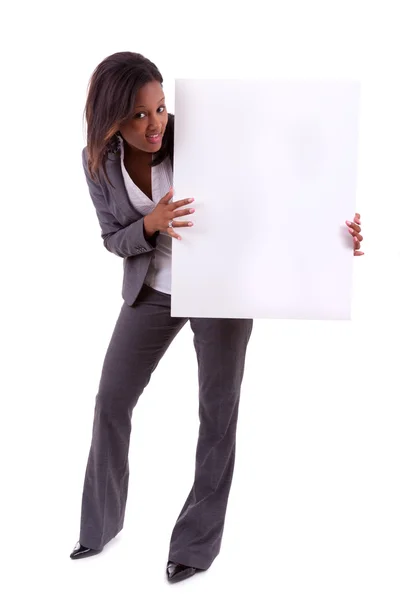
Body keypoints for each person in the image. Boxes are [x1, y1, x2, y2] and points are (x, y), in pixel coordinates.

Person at [71, 51, 364, 583]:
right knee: (111, 401)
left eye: (160, 107)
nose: (155, 123)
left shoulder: (207, 135)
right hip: (152, 292)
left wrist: (334, 239)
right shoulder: (97, 161)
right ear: (110, 119)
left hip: (221, 288)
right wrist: (152, 225)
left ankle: (195, 547)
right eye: (138, 115)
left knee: (217, 416)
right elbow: (113, 239)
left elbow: (276, 193)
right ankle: (99, 527)